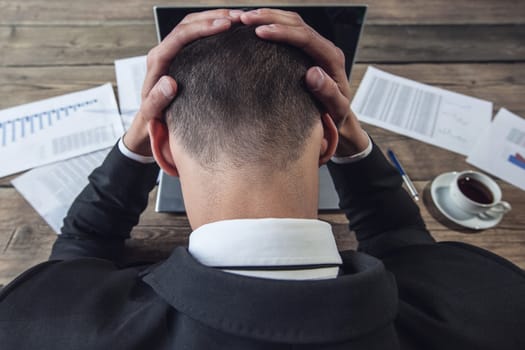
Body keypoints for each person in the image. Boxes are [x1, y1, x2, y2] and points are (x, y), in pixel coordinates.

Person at [1, 8, 524, 350]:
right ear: (327, 138)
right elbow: (412, 254)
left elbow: (76, 263)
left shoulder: (53, 328)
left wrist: (132, 147)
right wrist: (357, 142)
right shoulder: (490, 312)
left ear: (162, 148)